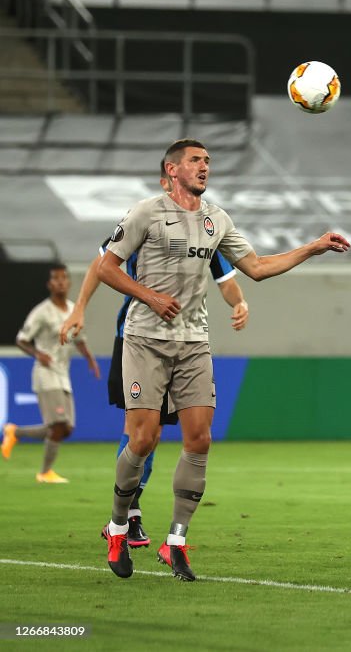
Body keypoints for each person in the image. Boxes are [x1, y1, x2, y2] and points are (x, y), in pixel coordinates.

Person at [97, 138, 349, 581]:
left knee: (200, 440)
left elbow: (258, 267)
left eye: (208, 161)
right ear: (172, 170)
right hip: (145, 340)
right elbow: (107, 268)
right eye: (196, 160)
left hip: (194, 342)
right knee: (142, 439)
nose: (205, 166)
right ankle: (118, 526)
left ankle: (175, 541)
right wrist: (149, 296)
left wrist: (313, 247)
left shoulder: (217, 219)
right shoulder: (145, 213)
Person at [60, 190, 249, 547]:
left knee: (155, 432)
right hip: (136, 337)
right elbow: (102, 263)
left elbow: (227, 279)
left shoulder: (204, 233)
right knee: (140, 431)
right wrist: (79, 308)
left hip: (183, 342)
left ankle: (131, 515)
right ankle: (129, 515)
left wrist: (239, 303)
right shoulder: (146, 222)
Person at [2, 264, 100, 481]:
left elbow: (80, 339)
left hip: (63, 373)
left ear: (69, 282)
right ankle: (45, 472)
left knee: (66, 429)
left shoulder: (74, 309)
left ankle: (15, 432)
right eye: (56, 279)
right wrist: (38, 354)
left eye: (64, 278)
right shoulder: (41, 312)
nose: (60, 282)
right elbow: (21, 339)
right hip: (45, 373)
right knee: (58, 425)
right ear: (49, 284)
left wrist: (91, 360)